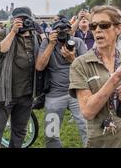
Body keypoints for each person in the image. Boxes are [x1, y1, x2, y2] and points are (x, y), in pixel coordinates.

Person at [69, 5, 121, 147]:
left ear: (118, 28)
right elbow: (88, 112)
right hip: (104, 140)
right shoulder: (80, 64)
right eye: (93, 26)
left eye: (104, 25)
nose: (97, 30)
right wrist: (115, 78)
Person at [0, 7, 40, 148]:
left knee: (20, 132)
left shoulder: (35, 37)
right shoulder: (3, 33)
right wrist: (13, 32)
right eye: (19, 19)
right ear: (13, 20)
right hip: (3, 93)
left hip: (26, 94)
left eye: (25, 19)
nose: (22, 22)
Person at [36, 17, 88, 148]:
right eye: (59, 30)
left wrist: (73, 59)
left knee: (87, 129)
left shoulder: (78, 42)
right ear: (53, 31)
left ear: (71, 31)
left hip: (77, 92)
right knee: (51, 133)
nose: (62, 33)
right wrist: (51, 45)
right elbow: (39, 66)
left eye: (65, 30)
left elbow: (87, 69)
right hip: (55, 93)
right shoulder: (47, 43)